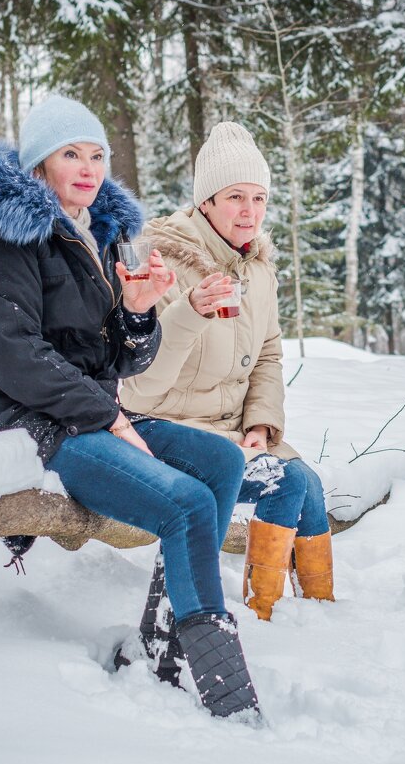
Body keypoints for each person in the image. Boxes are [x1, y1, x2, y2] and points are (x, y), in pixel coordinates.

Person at [0, 96, 258, 720]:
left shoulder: (93, 234)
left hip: (81, 410)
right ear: (39, 166)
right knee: (188, 504)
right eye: (70, 155)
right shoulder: (3, 235)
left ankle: (160, 642)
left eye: (96, 155)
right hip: (23, 423)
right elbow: (14, 358)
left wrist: (138, 309)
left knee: (221, 462)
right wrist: (111, 417)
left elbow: (120, 362)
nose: (88, 169)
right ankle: (229, 699)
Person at [121, 122, 335, 622]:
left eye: (259, 198)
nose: (250, 211)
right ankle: (261, 614)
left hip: (234, 431)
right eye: (235, 196)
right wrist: (190, 311)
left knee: (308, 480)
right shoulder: (161, 260)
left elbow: (268, 353)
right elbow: (140, 382)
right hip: (165, 427)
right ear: (206, 203)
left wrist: (260, 426)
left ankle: (317, 613)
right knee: (287, 483)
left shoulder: (257, 267)